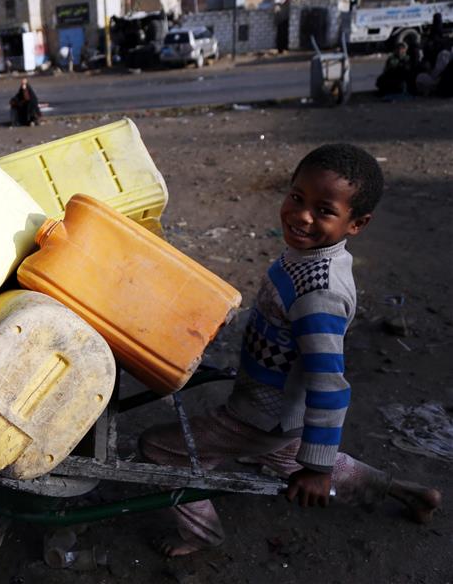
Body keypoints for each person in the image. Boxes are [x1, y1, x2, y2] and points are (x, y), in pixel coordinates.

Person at [138, 144, 442, 557]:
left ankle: (200, 534)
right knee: (293, 457)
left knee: (160, 449)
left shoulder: (319, 292)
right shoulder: (311, 257)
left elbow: (329, 385)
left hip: (261, 417)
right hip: (281, 414)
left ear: (358, 223)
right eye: (297, 197)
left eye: (324, 210)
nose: (302, 215)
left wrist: (315, 470)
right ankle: (408, 493)